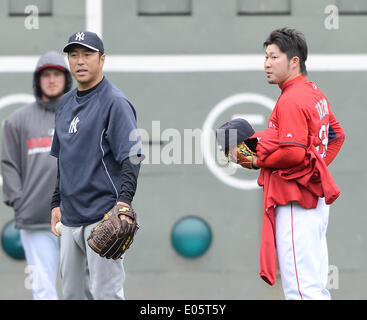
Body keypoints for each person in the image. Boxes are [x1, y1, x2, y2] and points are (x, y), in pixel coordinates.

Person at [249, 28, 345, 299]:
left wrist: (257, 160)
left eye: (274, 57)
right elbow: (337, 135)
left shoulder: (291, 98)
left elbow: (292, 153)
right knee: (314, 287)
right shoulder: (313, 92)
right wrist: (315, 171)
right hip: (314, 202)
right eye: (266, 57)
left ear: (295, 62)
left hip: (296, 202)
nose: (267, 63)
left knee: (301, 291)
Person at [49, 31, 144, 300]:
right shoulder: (65, 103)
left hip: (103, 216)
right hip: (69, 219)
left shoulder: (114, 101)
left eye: (87, 54)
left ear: (102, 59)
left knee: (106, 295)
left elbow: (133, 155)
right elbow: (63, 158)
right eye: (74, 54)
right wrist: (56, 202)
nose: (80, 61)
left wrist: (124, 202)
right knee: (72, 296)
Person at [1, 51, 72, 299]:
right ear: (37, 80)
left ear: (66, 79)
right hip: (35, 219)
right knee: (43, 289)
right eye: (46, 75)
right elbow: (8, 164)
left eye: (57, 74)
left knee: (83, 286)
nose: (52, 80)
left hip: (77, 217)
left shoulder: (80, 116)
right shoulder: (17, 121)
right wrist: (19, 202)